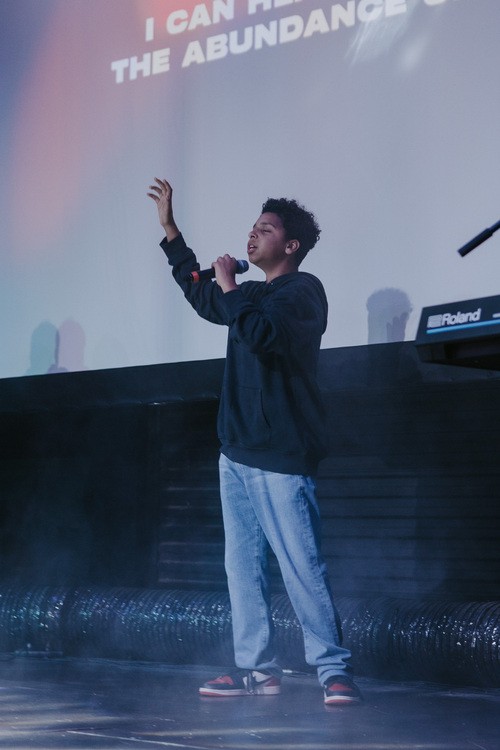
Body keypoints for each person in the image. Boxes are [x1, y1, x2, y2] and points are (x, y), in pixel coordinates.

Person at [147, 178, 362, 706]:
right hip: (236, 453)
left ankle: (333, 670)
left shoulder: (303, 291)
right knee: (241, 569)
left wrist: (229, 287)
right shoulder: (251, 294)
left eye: (265, 229)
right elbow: (202, 295)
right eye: (253, 227)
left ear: (290, 245)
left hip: (281, 453)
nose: (252, 235)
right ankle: (257, 669)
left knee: (301, 565)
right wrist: (172, 232)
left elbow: (263, 335)